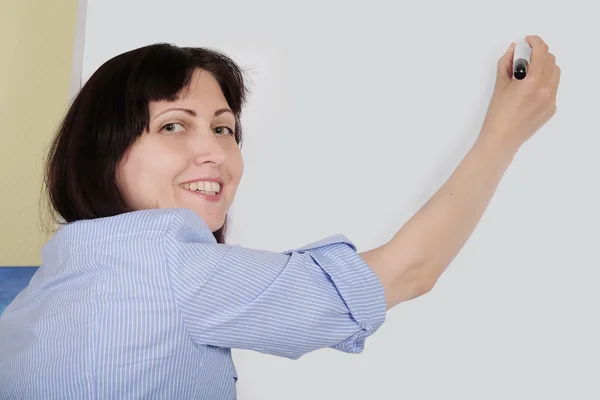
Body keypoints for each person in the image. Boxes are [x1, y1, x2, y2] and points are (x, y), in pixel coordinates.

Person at [0, 35, 560, 399]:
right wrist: (504, 132)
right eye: (174, 125)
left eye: (224, 128)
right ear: (104, 150)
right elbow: (408, 271)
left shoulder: (36, 296)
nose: (216, 152)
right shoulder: (165, 262)